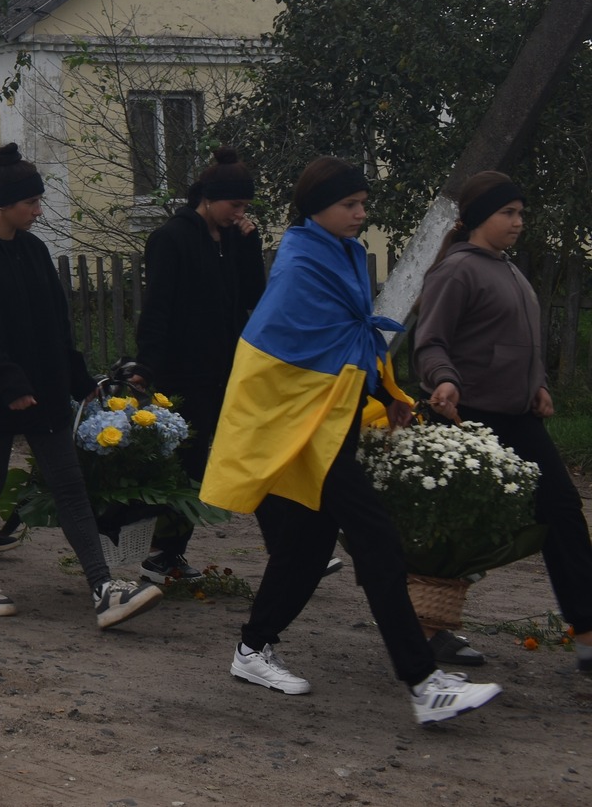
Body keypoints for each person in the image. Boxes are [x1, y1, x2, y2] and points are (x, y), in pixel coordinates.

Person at [203, 157, 502, 724]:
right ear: (317, 208)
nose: (362, 213)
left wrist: (386, 392)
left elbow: (348, 337)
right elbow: (299, 352)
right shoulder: (299, 263)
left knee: (306, 550)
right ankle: (422, 682)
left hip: (326, 418)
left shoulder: (339, 251)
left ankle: (252, 648)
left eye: (363, 203)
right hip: (300, 420)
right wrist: (375, 388)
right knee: (378, 543)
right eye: (351, 205)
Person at [0, 143, 162, 630]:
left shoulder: (33, 249)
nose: (39, 211)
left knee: (70, 486)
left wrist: (78, 378)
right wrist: (10, 384)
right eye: (32, 203)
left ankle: (104, 589)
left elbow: (55, 325)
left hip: (43, 391)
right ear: (3, 205)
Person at [415, 172, 592, 679]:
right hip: (467, 422)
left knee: (561, 511)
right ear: (476, 219)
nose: (518, 222)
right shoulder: (456, 272)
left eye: (519, 212)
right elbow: (430, 342)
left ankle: (587, 636)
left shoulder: (508, 270)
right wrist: (444, 381)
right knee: (457, 532)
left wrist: (536, 383)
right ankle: (427, 629)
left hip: (517, 419)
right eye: (507, 213)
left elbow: (518, 344)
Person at [132, 147, 266, 580]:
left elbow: (250, 298)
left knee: (224, 457)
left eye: (245, 206)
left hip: (224, 369)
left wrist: (250, 245)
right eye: (235, 205)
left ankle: (170, 550)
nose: (239, 213)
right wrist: (148, 366)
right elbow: (157, 308)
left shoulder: (231, 239)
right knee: (183, 462)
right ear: (207, 198)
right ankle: (161, 551)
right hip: (180, 371)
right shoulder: (172, 238)